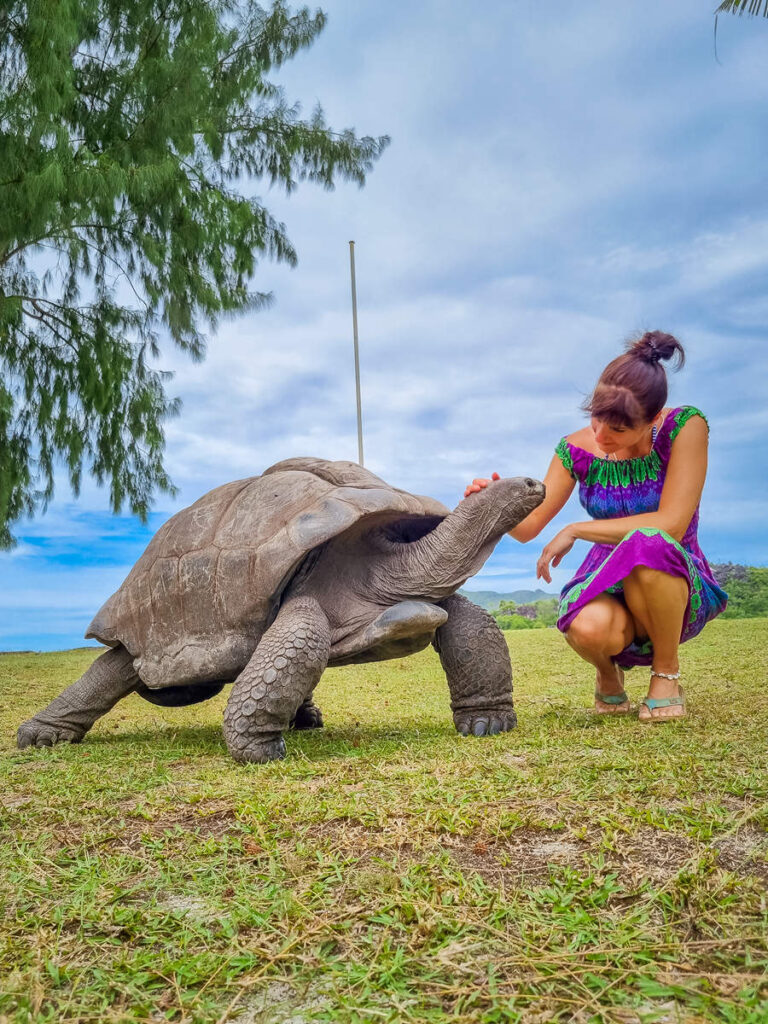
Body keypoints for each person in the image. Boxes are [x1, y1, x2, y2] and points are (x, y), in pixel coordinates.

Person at [465, 331, 727, 722]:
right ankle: (608, 674)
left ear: (654, 418)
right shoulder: (573, 450)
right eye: (596, 418)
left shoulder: (684, 427)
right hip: (608, 575)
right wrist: (491, 502)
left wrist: (577, 529)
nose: (602, 436)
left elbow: (670, 524)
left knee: (649, 544)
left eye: (618, 429)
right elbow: (528, 528)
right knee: (586, 627)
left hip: (671, 574)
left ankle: (666, 673)